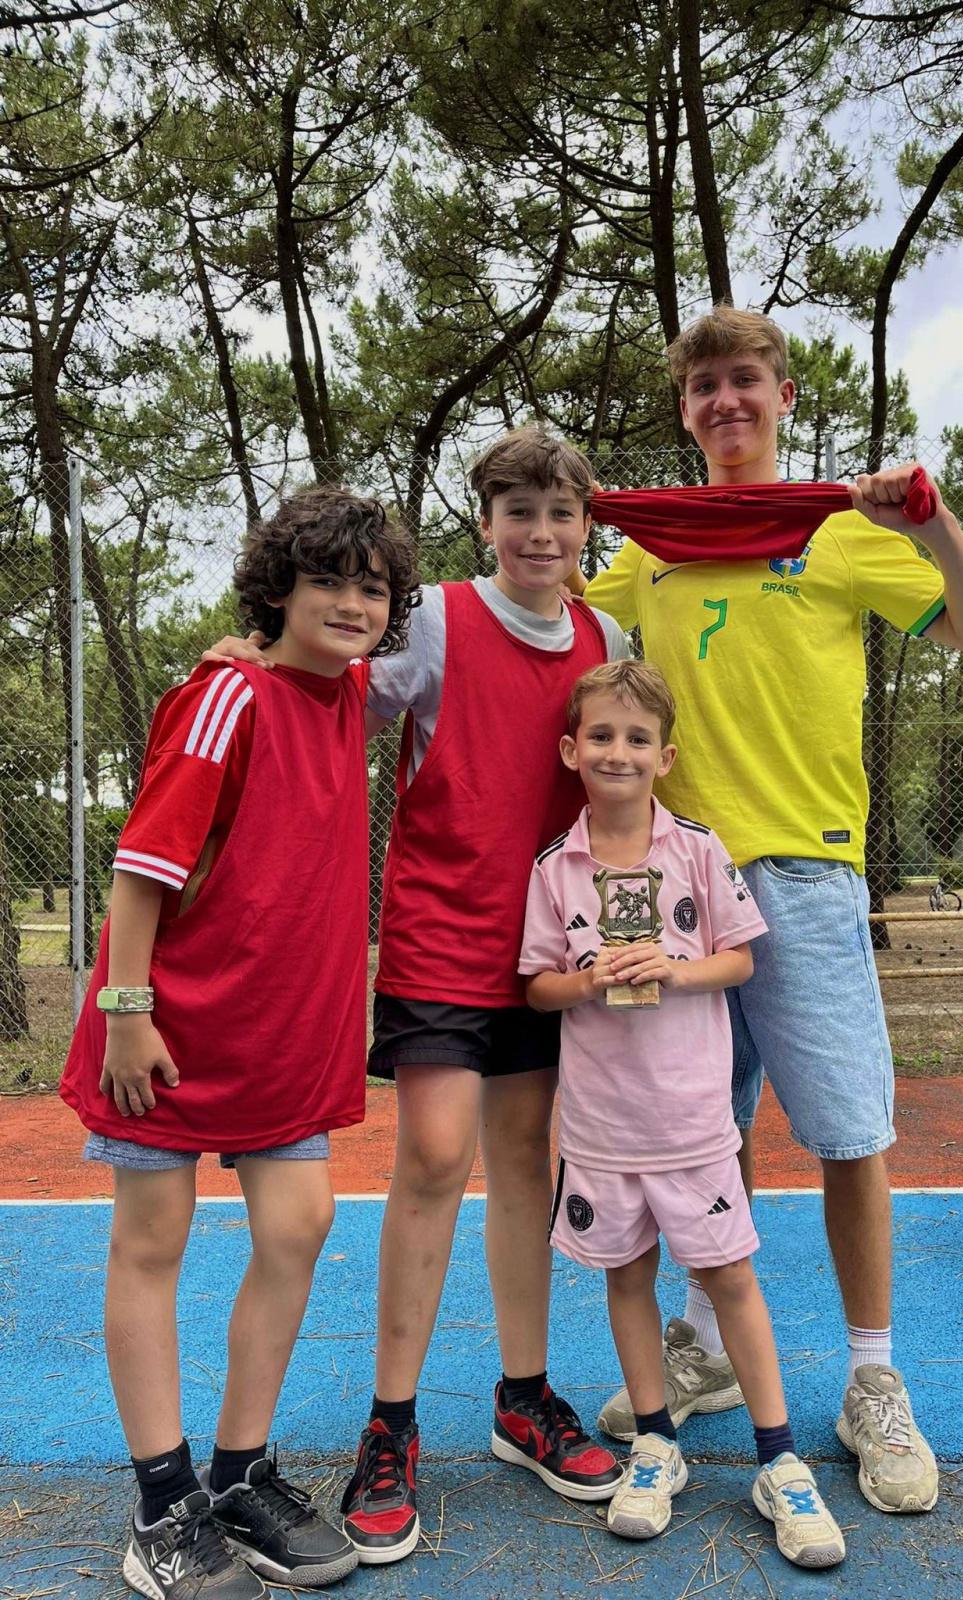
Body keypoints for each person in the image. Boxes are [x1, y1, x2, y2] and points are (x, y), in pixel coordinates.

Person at [583, 306, 963, 1516]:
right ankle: (706, 1346)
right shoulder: (652, 548)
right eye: (705, 385)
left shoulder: (842, 532)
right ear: (686, 409)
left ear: (781, 398)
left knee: (846, 1133)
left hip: (806, 877)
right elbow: (550, 609)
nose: (727, 401)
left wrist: (932, 521)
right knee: (690, 1138)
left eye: (747, 382)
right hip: (675, 880)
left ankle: (873, 1379)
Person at [206, 428, 628, 1565]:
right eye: (518, 511)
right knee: (436, 1158)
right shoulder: (435, 618)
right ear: (485, 522)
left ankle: (523, 1398)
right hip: (445, 937)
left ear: (587, 525)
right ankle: (389, 1425)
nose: (541, 533)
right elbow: (331, 698)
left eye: (561, 513)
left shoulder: (607, 637)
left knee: (530, 1158)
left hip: (550, 951)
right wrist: (247, 657)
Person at [59, 488, 420, 1598]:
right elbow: (138, 865)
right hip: (165, 1027)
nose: (354, 602)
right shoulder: (227, 695)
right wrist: (128, 1008)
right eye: (330, 581)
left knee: (300, 1225)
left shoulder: (350, 692)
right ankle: (163, 1502)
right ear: (278, 590)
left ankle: (234, 1472)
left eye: (373, 586)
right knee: (154, 1238)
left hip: (282, 1035)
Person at [520, 659, 845, 1566]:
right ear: (571, 750)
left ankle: (778, 1460)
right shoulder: (556, 867)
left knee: (729, 1277)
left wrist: (671, 965)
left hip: (694, 1123)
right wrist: (587, 981)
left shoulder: (698, 850)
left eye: (636, 739)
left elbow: (740, 960)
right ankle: (656, 1442)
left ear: (666, 756)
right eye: (601, 736)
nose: (617, 752)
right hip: (599, 1128)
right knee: (627, 1277)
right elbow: (538, 987)